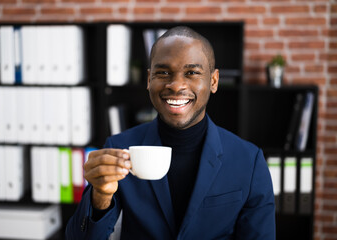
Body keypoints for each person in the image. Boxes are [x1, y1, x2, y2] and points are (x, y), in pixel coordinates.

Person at [66, 26, 275, 240]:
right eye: (163, 72)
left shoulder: (249, 161)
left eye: (192, 73)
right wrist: (100, 195)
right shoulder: (119, 148)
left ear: (213, 81)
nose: (176, 86)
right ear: (149, 80)